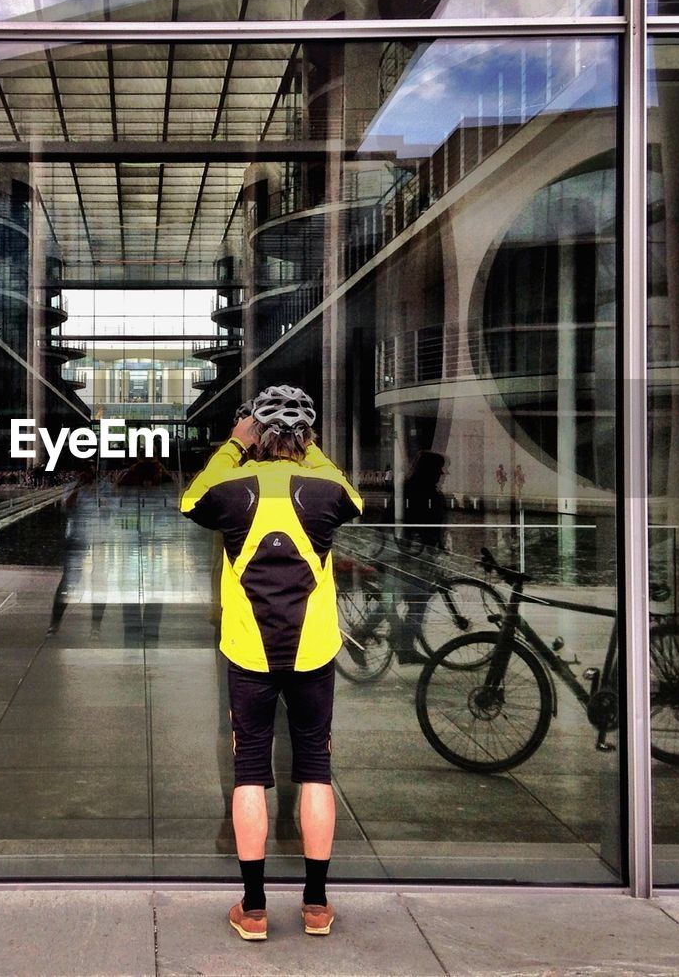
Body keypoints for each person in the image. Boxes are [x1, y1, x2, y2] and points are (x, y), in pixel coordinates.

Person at [181, 385, 362, 941]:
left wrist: (237, 443)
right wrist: (306, 446)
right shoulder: (326, 486)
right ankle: (316, 905)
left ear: (255, 428)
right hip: (312, 653)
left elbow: (192, 499)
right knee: (315, 769)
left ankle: (254, 908)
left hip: (249, 655)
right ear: (307, 437)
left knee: (250, 774)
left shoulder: (232, 488)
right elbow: (351, 497)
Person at [393, 450, 449, 663]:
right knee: (417, 599)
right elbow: (429, 528)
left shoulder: (407, 490)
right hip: (414, 556)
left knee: (402, 598)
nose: (442, 474)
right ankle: (405, 645)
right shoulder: (428, 494)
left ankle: (401, 642)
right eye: (439, 470)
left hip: (406, 553)